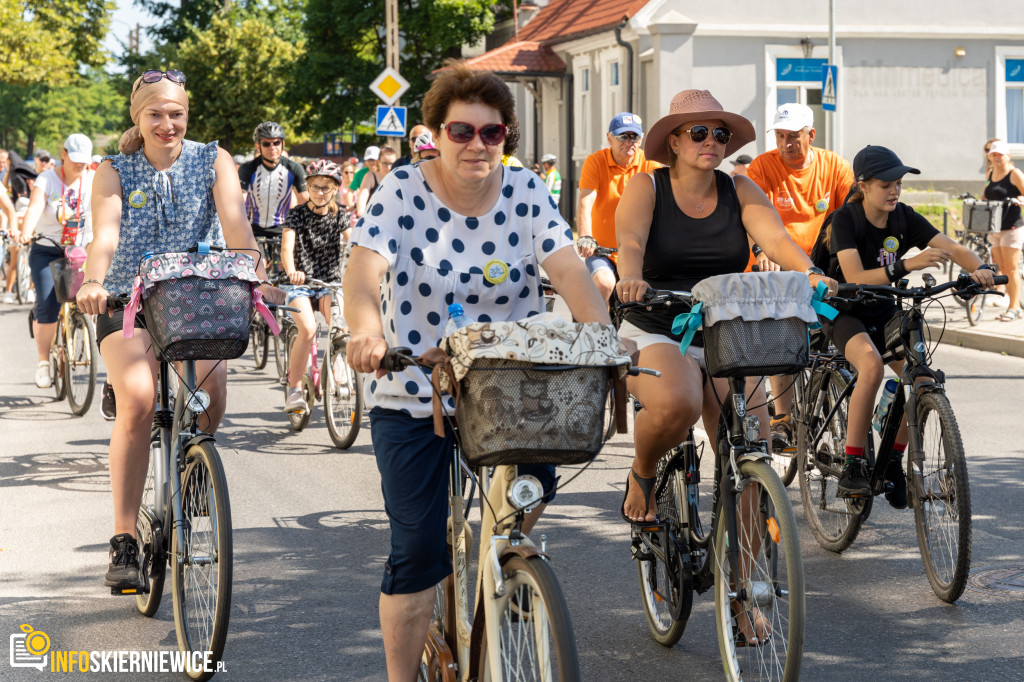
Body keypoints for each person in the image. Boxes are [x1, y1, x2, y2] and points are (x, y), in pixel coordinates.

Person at [344, 60, 611, 681]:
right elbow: (363, 273)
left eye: (491, 133)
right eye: (460, 131)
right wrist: (366, 331)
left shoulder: (524, 191)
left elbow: (569, 271)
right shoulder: (402, 190)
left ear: (506, 138)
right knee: (417, 553)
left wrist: (599, 340)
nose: (476, 145)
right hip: (415, 391)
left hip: (512, 391)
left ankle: (501, 574)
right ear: (436, 132)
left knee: (523, 502)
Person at [614, 89, 837, 646]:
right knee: (679, 402)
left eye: (718, 133)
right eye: (699, 133)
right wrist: (632, 278)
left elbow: (777, 239)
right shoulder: (647, 185)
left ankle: (745, 594)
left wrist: (810, 274)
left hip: (723, 323)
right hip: (657, 319)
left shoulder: (739, 187)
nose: (711, 142)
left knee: (751, 448)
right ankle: (643, 472)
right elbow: (631, 243)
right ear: (672, 142)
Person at [76, 69, 283, 590]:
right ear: (138, 118)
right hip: (129, 300)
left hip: (198, 296)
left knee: (211, 394)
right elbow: (106, 235)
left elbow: (236, 225)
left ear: (186, 116)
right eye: (155, 114)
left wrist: (256, 270)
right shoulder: (113, 169)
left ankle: (193, 477)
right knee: (141, 400)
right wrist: (94, 279)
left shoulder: (213, 159)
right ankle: (124, 539)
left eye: (176, 114)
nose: (167, 123)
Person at [825, 145, 995, 501]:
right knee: (871, 367)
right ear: (863, 185)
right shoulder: (846, 219)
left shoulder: (904, 217)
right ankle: (853, 464)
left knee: (920, 377)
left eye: (898, 182)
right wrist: (907, 265)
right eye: (886, 183)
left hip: (883, 307)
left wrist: (981, 268)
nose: (894, 190)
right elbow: (854, 275)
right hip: (843, 308)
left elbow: (952, 248)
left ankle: (892, 461)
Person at [746, 102, 854, 451]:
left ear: (811, 135)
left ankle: (836, 387)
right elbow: (749, 216)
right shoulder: (763, 167)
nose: (786, 144)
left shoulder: (834, 166)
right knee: (783, 328)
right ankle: (784, 417)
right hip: (774, 264)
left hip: (819, 263)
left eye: (793, 137)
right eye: (780, 136)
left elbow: (848, 217)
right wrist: (761, 252)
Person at [18, 133, 95, 388]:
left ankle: (78, 329)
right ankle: (43, 363)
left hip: (80, 250)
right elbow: (35, 207)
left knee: (89, 298)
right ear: (63, 154)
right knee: (48, 303)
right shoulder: (47, 178)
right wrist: (25, 232)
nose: (79, 166)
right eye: (75, 160)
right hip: (47, 248)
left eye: (84, 162)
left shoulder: (94, 179)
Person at [281, 159, 350, 413]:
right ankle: (295, 389)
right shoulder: (297, 214)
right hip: (301, 283)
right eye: (315, 187)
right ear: (307, 187)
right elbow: (287, 248)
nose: (320, 192)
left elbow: (353, 243)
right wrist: (292, 272)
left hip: (329, 283)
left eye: (326, 187)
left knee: (341, 326)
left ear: (335, 189)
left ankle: (339, 372)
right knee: (308, 330)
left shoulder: (340, 215)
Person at [577, 112, 659, 302]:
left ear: (641, 138)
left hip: (639, 251)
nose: (628, 142)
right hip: (602, 250)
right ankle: (601, 328)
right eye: (622, 136)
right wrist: (585, 237)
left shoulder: (650, 165)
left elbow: (662, 206)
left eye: (634, 137)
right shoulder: (596, 161)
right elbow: (586, 201)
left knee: (646, 295)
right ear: (609, 138)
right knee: (604, 283)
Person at [238, 121, 309, 240]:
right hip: (253, 229)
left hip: (283, 229)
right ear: (257, 146)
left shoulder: (294, 168)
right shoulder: (247, 169)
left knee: (285, 258)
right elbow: (240, 199)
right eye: (266, 144)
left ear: (283, 144)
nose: (272, 147)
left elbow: (305, 200)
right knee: (259, 259)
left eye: (276, 143)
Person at [981, 139, 1024, 321]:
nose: (997, 158)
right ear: (990, 156)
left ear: (1008, 155)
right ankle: (1009, 300)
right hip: (994, 227)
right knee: (1003, 268)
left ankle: (1015, 308)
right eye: (993, 155)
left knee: (1012, 269)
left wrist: (1020, 200)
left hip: (1012, 227)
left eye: (1000, 154)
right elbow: (985, 194)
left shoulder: (1014, 173)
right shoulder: (991, 172)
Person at [355, 145, 397, 218]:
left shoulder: (398, 178)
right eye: (385, 163)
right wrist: (361, 213)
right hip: (372, 219)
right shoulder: (370, 176)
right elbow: (363, 196)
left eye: (392, 164)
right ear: (378, 162)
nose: (389, 167)